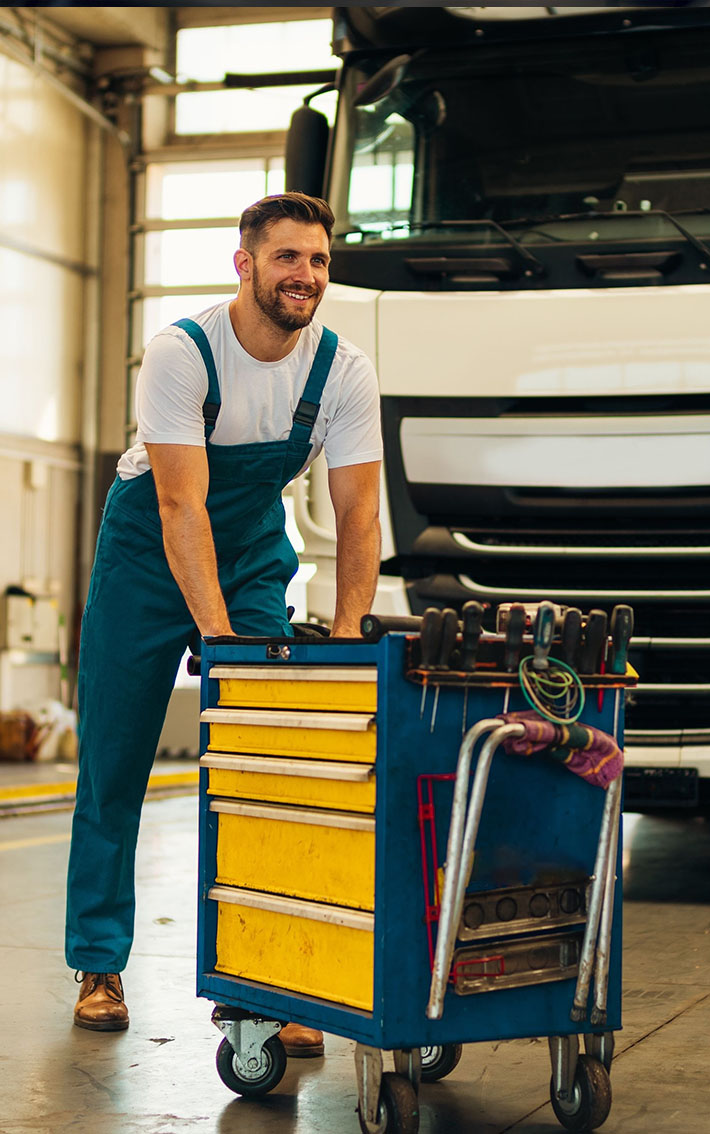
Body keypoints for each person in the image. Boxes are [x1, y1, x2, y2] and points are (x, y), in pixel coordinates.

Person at [65, 192, 383, 1058]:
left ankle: (266, 980)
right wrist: (214, 636)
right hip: (147, 550)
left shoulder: (343, 369)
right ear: (244, 265)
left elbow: (359, 515)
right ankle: (98, 963)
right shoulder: (184, 352)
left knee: (263, 769)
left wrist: (352, 628)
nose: (305, 276)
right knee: (115, 758)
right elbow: (177, 502)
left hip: (248, 550)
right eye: (287, 258)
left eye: (318, 260)